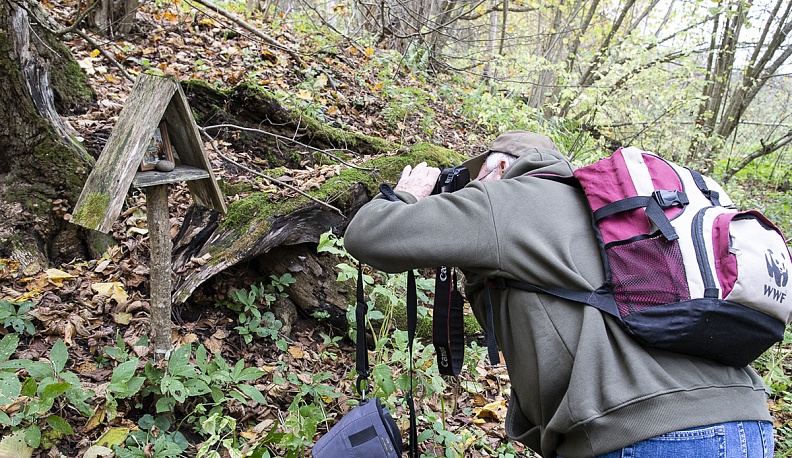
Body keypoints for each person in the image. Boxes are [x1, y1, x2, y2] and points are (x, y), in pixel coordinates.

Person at [343, 131, 774, 458]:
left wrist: (406, 196)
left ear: (498, 168)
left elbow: (368, 234)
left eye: (475, 178)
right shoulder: (606, 211)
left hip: (651, 434)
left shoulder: (508, 199)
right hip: (747, 422)